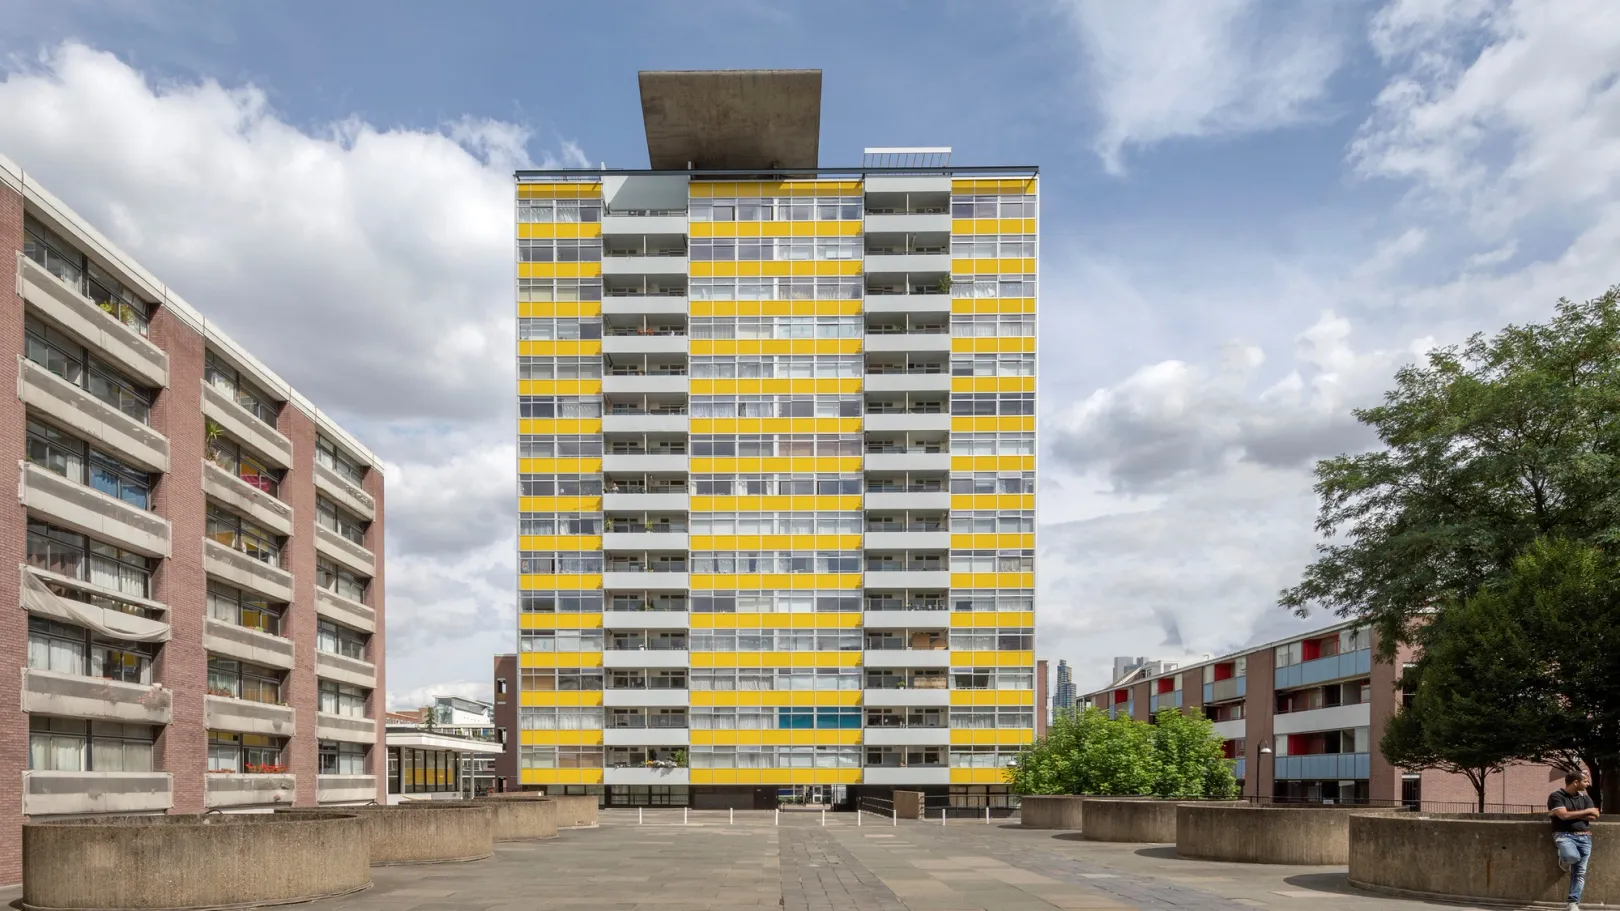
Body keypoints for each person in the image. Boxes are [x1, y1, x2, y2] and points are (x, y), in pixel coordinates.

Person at [1549, 770, 1601, 911]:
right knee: (1572, 857)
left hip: (1585, 836)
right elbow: (1564, 816)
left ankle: (1573, 903)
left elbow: (1594, 816)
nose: (1588, 783)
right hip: (1564, 835)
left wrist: (1566, 814)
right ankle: (1564, 859)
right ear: (1575, 782)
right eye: (1585, 781)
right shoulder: (1556, 796)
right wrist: (1585, 812)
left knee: (1580, 872)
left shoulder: (1585, 798)